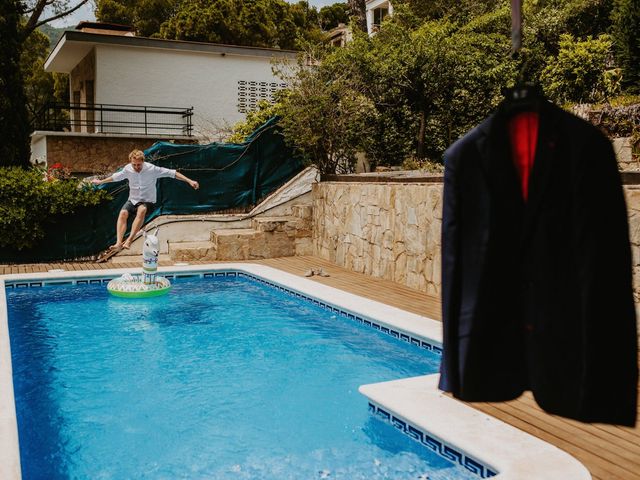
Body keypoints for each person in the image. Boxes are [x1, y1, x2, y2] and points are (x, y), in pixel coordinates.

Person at [92, 149, 199, 250]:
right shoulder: (127, 169)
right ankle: (119, 243)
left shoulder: (152, 169)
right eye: (134, 164)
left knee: (142, 210)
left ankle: (129, 240)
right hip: (133, 200)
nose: (136, 167)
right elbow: (115, 177)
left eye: (139, 165)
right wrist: (101, 182)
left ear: (143, 162)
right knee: (123, 213)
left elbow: (172, 173)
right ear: (131, 162)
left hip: (148, 201)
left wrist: (189, 181)